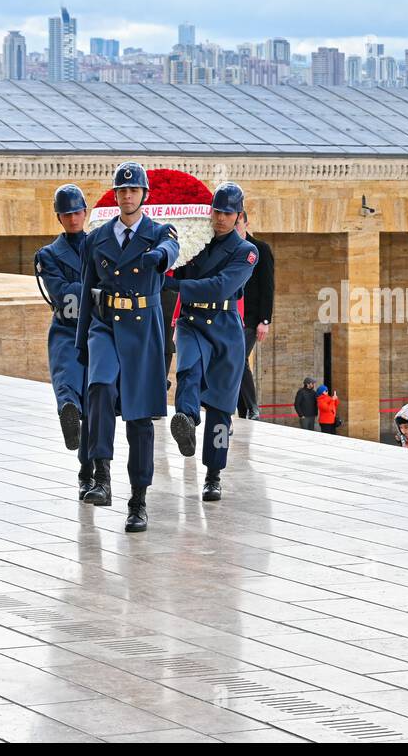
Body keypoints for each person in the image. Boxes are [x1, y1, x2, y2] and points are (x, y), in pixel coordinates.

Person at [75, 162, 180, 533]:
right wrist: (81, 343)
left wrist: (160, 256)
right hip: (105, 325)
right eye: (122, 191)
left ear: (144, 195)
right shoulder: (98, 237)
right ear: (116, 196)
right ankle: (101, 477)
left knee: (138, 418)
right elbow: (88, 289)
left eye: (134, 191)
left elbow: (172, 246)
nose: (128, 196)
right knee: (99, 386)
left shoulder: (157, 232)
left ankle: (138, 501)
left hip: (142, 329)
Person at [167, 181, 259, 503]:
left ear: (238, 215)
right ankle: (187, 420)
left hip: (225, 326)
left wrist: (178, 287)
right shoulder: (197, 243)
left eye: (228, 213)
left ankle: (213, 476)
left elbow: (221, 286)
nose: (221, 218)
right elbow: (174, 270)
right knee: (188, 369)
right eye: (217, 211)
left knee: (221, 406)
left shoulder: (247, 252)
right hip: (192, 321)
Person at [34, 183, 92, 500]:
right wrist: (97, 292)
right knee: (67, 383)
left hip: (98, 331)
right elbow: (64, 294)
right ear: (59, 217)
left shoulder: (102, 245)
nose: (73, 218)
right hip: (67, 329)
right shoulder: (49, 254)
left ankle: (91, 473)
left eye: (77, 212)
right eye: (67, 213)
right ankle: (67, 413)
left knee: (96, 402)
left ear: (85, 212)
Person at [235, 211, 274, 420]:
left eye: (238, 222)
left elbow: (268, 287)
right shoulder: (228, 248)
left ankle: (252, 408)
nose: (235, 227)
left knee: (238, 357)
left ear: (245, 222)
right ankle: (243, 410)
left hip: (251, 317)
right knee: (234, 360)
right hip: (233, 315)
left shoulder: (261, 249)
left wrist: (265, 320)